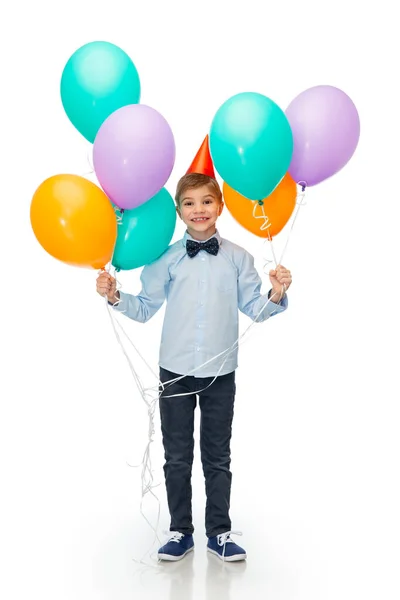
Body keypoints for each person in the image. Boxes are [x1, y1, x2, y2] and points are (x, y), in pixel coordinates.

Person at [96, 136, 292, 562]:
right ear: (178, 210)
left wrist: (275, 294)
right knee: (177, 456)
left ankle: (218, 533)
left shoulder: (239, 258)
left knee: (217, 455)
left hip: (222, 372)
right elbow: (145, 307)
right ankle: (180, 531)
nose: (199, 209)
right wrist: (114, 295)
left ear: (220, 206)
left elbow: (253, 308)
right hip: (176, 371)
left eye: (207, 201)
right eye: (189, 203)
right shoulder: (165, 259)